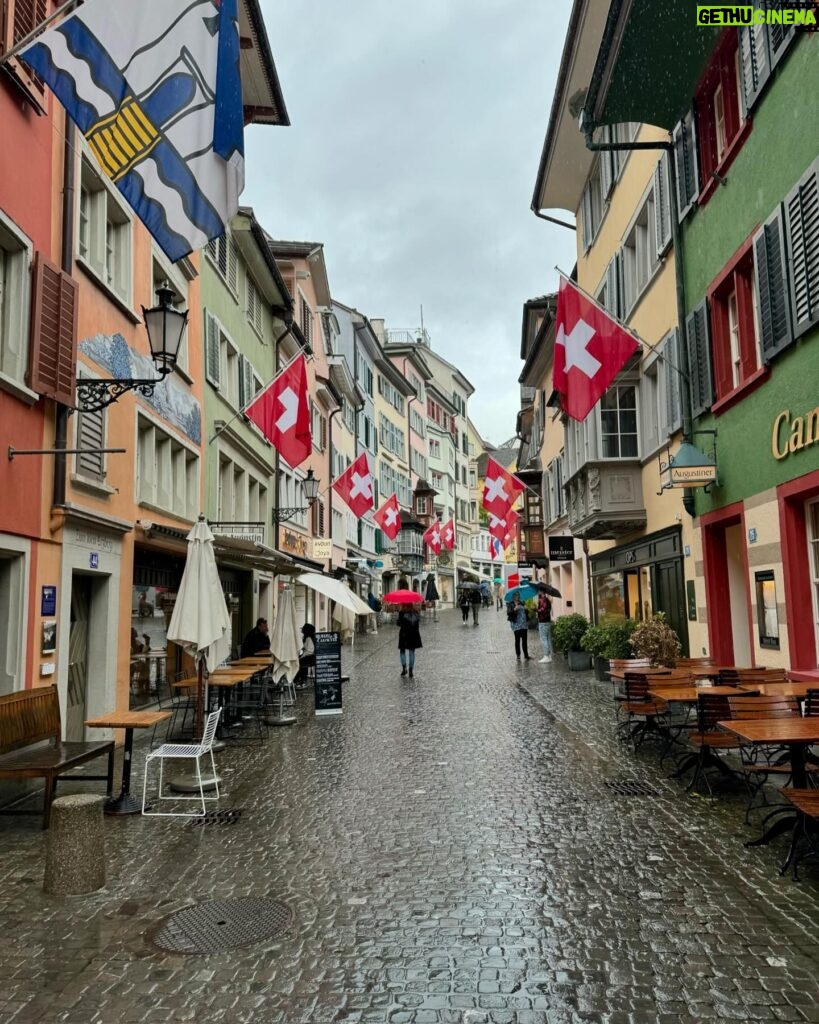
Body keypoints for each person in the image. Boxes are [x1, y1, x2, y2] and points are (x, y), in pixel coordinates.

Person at [397, 604, 422, 678]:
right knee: (412, 653)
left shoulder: (402, 612)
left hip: (404, 634)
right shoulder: (415, 612)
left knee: (402, 651)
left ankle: (404, 669)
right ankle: (411, 671)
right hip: (413, 634)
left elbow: (399, 624)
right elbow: (417, 624)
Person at [508, 594, 531, 661]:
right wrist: (514, 609)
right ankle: (518, 655)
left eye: (518, 596)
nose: (517, 597)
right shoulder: (511, 604)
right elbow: (509, 613)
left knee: (525, 640)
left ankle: (526, 655)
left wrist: (527, 609)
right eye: (515, 596)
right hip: (516, 625)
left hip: (523, 624)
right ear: (513, 597)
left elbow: (526, 612)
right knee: (517, 640)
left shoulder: (522, 602)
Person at [536, 592, 553, 663]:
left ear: (541, 592)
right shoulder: (547, 600)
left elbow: (543, 610)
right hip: (548, 621)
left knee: (544, 639)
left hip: (543, 622)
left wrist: (535, 609)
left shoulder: (542, 600)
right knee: (548, 638)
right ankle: (549, 656)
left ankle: (546, 656)